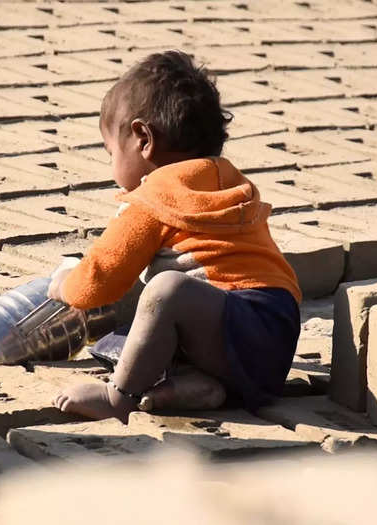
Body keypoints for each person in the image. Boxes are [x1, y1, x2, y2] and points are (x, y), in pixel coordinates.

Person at [47, 50, 301, 423]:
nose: (111, 164)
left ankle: (119, 398)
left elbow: (100, 280)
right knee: (147, 327)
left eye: (110, 151)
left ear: (142, 138)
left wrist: (66, 283)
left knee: (168, 292)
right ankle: (204, 386)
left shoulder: (155, 198)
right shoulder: (228, 181)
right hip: (276, 330)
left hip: (242, 326)